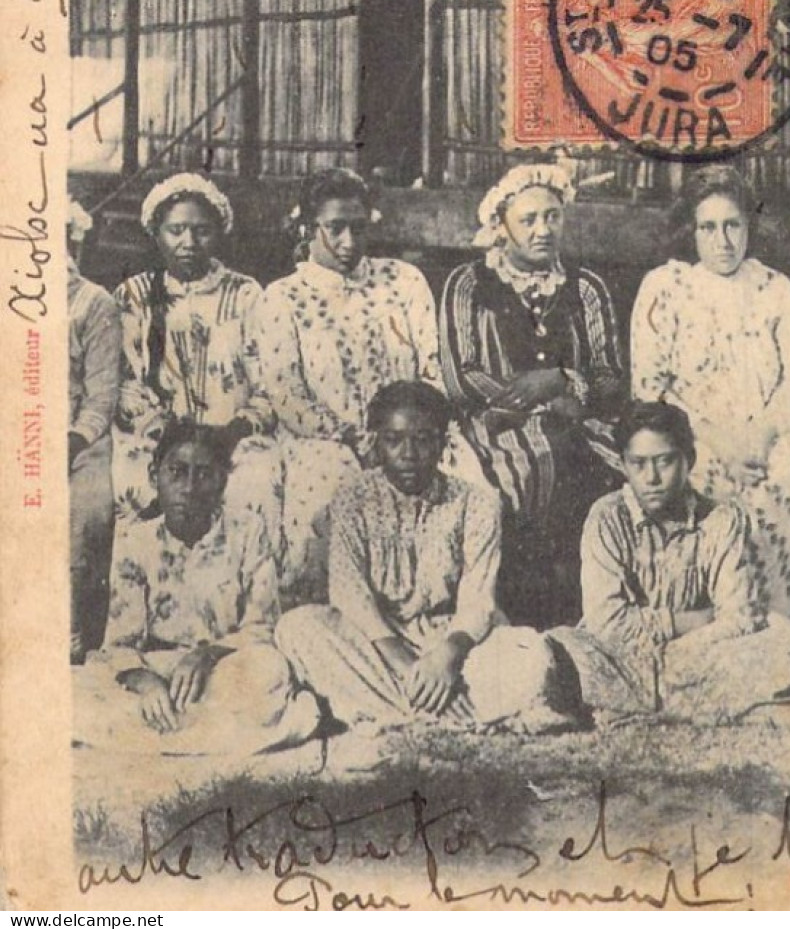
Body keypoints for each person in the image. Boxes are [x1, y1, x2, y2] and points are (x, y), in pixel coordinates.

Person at [275, 382, 584, 735]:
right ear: (376, 443)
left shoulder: (477, 503)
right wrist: (407, 664)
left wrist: (445, 658)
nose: (408, 453)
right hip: (380, 641)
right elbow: (350, 593)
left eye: (423, 440)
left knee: (527, 652)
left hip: (455, 640)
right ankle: (463, 712)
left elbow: (478, 600)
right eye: (393, 440)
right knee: (297, 628)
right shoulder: (352, 498)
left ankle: (400, 710)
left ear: (443, 444)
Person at [250, 168, 478, 606]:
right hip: (324, 440)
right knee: (331, 500)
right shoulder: (281, 297)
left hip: (415, 432)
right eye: (335, 228)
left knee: (467, 490)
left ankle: (440, 612)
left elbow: (431, 366)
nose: (348, 242)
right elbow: (287, 393)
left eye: (359, 227)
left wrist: (409, 434)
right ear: (307, 227)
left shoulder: (404, 281)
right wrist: (355, 438)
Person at [546, 401, 790, 727]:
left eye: (664, 461)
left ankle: (633, 708)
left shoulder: (721, 519)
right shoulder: (607, 518)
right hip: (622, 660)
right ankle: (731, 707)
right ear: (623, 465)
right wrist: (690, 621)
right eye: (638, 464)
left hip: (694, 659)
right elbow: (607, 625)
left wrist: (671, 658)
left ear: (689, 461)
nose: (651, 478)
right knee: (558, 650)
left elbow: (738, 617)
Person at [630, 165, 790, 628]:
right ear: (691, 231)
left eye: (733, 225)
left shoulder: (774, 287)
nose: (723, 241)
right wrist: (717, 441)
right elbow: (650, 388)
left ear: (748, 227)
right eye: (709, 227)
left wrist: (762, 434)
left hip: (766, 436)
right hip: (691, 439)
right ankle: (728, 635)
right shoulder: (667, 287)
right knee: (715, 501)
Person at [440, 163, 626, 629]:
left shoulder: (586, 289)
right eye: (528, 220)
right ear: (500, 226)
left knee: (599, 473)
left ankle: (592, 624)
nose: (543, 230)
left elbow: (609, 378)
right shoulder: (468, 284)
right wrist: (530, 399)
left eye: (553, 217)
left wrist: (563, 379)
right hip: (492, 425)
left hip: (579, 423)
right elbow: (460, 375)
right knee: (517, 474)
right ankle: (514, 626)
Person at [73, 422, 320, 756]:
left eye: (204, 474)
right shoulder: (136, 540)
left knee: (270, 671)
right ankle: (215, 736)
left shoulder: (247, 531)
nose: (189, 487)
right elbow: (121, 642)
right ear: (153, 476)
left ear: (222, 482)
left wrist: (206, 655)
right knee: (78, 685)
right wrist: (144, 681)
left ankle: (156, 737)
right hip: (158, 669)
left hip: (224, 669)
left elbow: (262, 626)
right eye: (176, 472)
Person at [110, 174, 279, 529]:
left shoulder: (246, 295)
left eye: (202, 231)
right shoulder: (135, 296)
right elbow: (125, 383)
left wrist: (233, 431)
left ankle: (242, 580)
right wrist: (164, 432)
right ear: (156, 233)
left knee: (255, 481)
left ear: (219, 233)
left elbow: (269, 382)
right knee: (132, 478)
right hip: (157, 437)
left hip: (233, 436)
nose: (189, 242)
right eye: (176, 230)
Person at [68, 200, 120, 662]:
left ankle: (74, 634)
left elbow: (102, 396)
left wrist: (73, 439)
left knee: (87, 510)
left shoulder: (94, 303)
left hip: (80, 439)